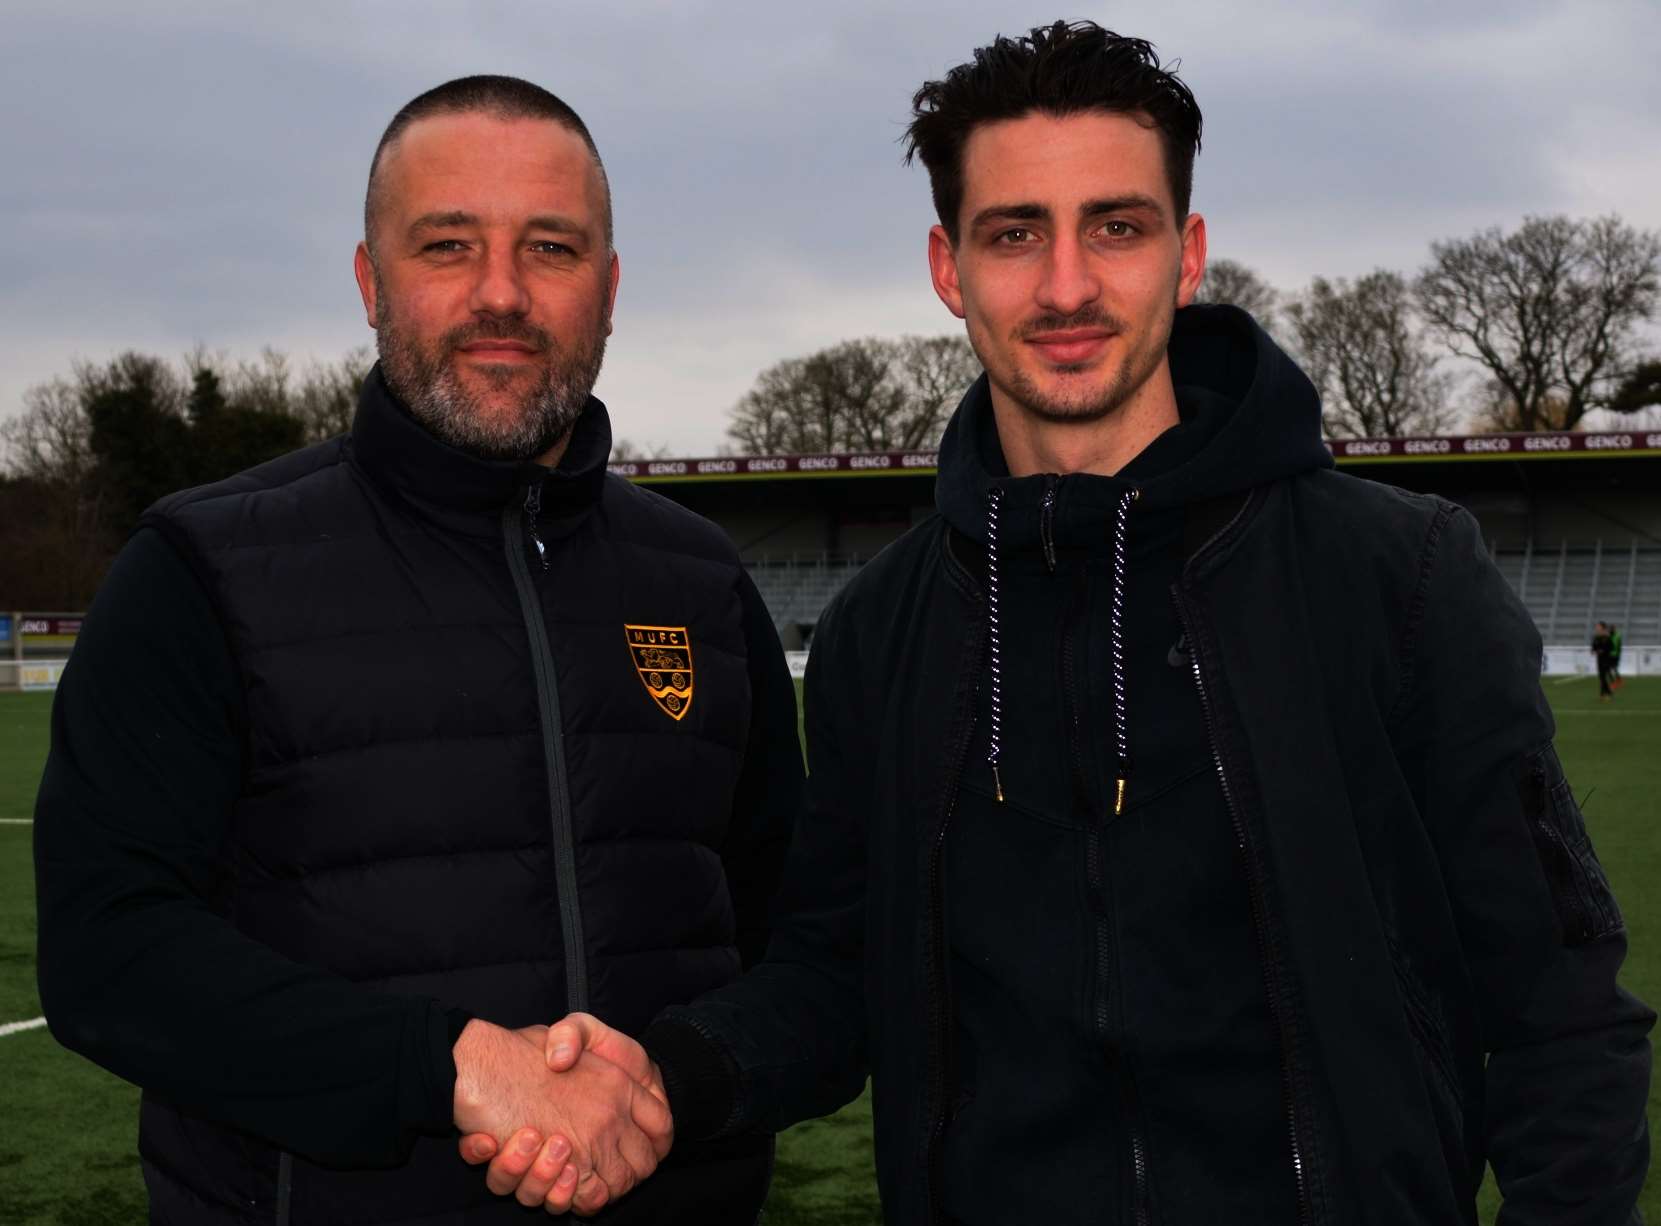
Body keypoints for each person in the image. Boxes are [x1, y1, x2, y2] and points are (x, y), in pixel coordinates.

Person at [478, 21, 1654, 1225]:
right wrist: (668, 1077)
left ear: (1185, 253)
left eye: (1116, 226)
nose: (1065, 286)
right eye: (1013, 233)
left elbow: (1563, 1007)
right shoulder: (881, 633)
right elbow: (833, 978)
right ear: (948, 267)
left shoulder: (1398, 576)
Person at [33, 76, 802, 1223]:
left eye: (551, 246)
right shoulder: (199, 568)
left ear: (610, 287)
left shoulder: (698, 580)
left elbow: (808, 948)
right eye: (448, 245)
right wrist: (449, 1066)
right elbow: (108, 956)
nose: (502, 293)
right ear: (369, 280)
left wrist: (675, 1081)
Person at [1593, 619, 1618, 701]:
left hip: (1606, 660)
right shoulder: (1596, 637)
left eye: (1598, 626)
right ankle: (1605, 694)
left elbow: (1612, 647)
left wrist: (1603, 651)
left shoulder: (1607, 637)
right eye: (1596, 626)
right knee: (1601, 678)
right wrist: (1594, 651)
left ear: (1602, 627)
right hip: (1599, 660)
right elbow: (1593, 648)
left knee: (1603, 677)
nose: (1596, 627)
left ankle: (1606, 694)